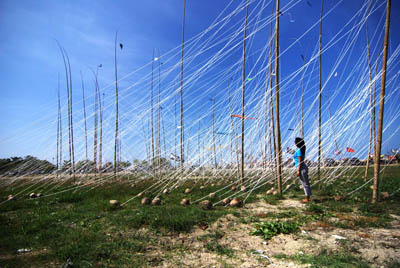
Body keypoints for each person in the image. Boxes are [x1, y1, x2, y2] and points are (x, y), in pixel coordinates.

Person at [294, 137, 311, 203]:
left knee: (305, 183)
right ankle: (307, 197)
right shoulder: (300, 149)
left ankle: (307, 198)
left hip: (301, 168)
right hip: (302, 167)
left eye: (295, 141)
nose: (294, 143)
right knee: (305, 183)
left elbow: (300, 161)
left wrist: (298, 170)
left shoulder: (298, 150)